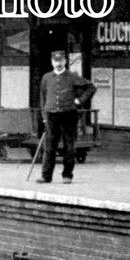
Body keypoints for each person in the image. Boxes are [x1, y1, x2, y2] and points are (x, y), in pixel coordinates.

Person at [38, 50, 95, 184]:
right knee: (49, 146)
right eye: (56, 61)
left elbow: (91, 88)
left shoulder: (72, 76)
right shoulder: (46, 77)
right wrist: (44, 115)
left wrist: (79, 101)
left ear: (65, 61)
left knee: (69, 146)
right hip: (51, 115)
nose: (58, 63)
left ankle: (67, 175)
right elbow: (42, 98)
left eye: (61, 61)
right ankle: (46, 176)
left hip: (68, 115)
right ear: (52, 62)